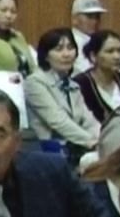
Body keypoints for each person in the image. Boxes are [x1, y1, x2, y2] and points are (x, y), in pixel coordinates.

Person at [24, 27, 102, 157]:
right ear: (46, 55)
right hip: (49, 151)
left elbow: (88, 120)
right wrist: (92, 142)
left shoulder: (72, 84)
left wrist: (103, 139)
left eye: (70, 48)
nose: (66, 54)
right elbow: (58, 121)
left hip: (76, 147)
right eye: (59, 49)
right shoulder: (35, 82)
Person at [67, 0, 120, 72]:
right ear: (74, 19)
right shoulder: (69, 41)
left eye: (97, 17)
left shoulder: (106, 39)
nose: (95, 21)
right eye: (90, 17)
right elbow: (83, 70)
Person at [76, 29, 120, 123]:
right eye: (110, 51)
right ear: (93, 56)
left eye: (119, 51)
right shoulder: (80, 84)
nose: (117, 57)